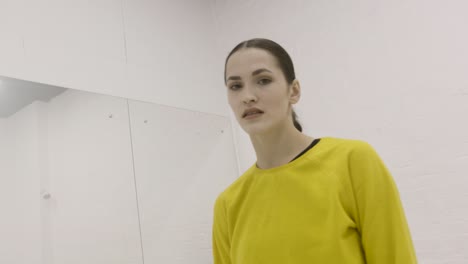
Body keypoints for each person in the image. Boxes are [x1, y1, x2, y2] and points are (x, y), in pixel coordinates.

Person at [212, 38, 417, 263]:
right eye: (235, 86)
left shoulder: (353, 161)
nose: (247, 96)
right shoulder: (228, 204)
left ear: (294, 91)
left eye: (263, 80)